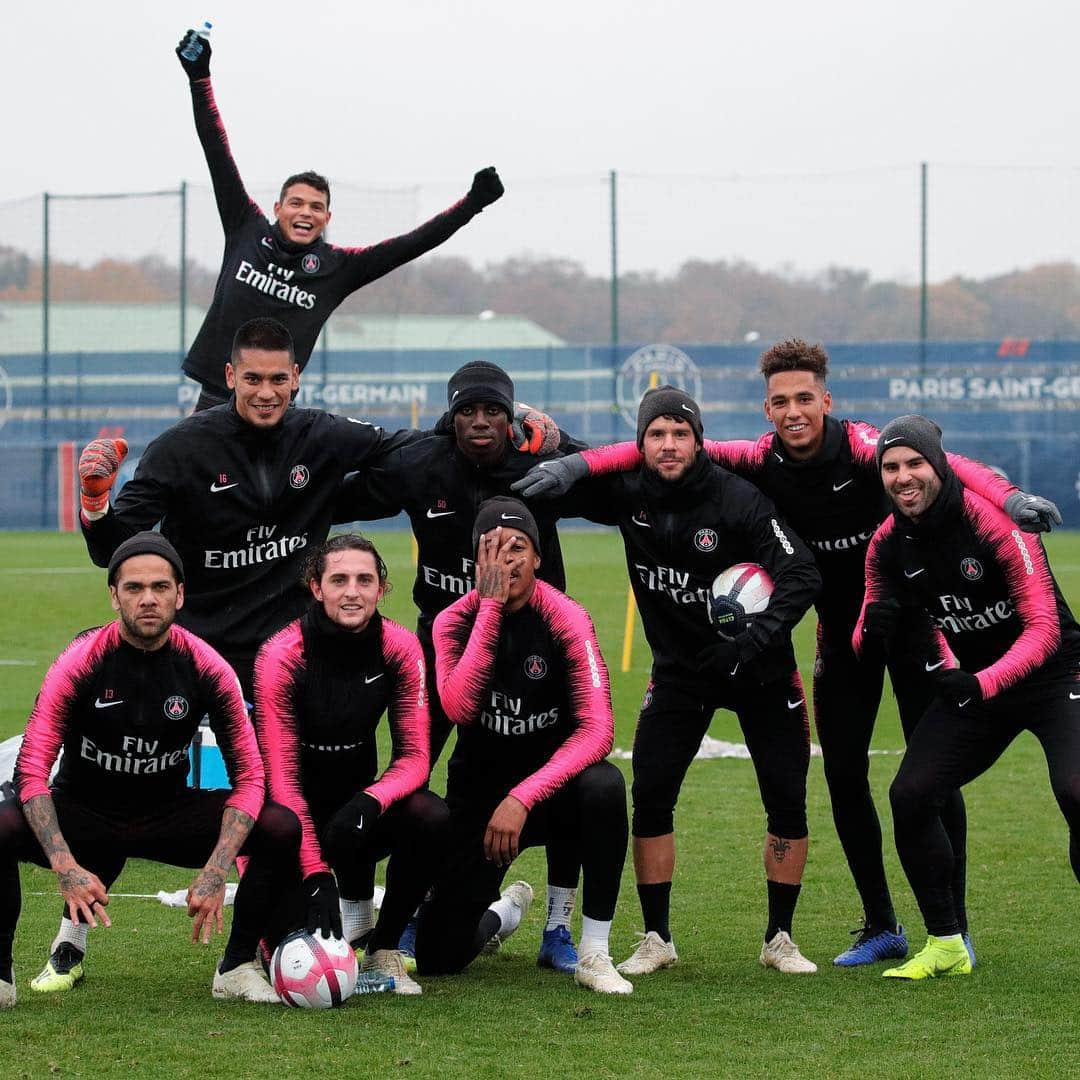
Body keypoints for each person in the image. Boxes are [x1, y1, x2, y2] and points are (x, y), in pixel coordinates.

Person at [514, 338, 1060, 967]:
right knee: (844, 779)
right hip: (842, 639)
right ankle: (881, 924)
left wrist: (1009, 497)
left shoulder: (865, 449)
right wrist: (572, 460)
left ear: (826, 400)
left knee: (930, 779)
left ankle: (952, 929)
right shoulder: (757, 457)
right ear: (767, 408)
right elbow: (653, 449)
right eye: (781, 401)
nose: (794, 410)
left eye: (805, 398)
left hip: (916, 630)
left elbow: (946, 463)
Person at [521, 388, 823, 975]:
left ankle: (779, 938)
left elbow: (802, 572)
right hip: (681, 675)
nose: (668, 445)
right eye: (656, 434)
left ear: (698, 438)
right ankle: (657, 937)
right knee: (652, 798)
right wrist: (548, 445)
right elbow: (576, 471)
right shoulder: (627, 493)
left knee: (787, 801)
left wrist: (749, 644)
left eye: (680, 434)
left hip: (760, 671)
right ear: (641, 442)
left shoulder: (740, 500)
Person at [335, 360, 585, 973]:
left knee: (573, 776)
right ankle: (391, 915)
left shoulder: (537, 466)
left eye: (494, 411)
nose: (480, 422)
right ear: (451, 416)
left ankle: (559, 924)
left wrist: (564, 442)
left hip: (536, 646)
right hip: (443, 644)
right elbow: (345, 488)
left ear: (512, 416)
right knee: (414, 776)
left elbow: (609, 476)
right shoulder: (424, 462)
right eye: (467, 411)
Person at [0, 533, 300, 1007]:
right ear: (114, 595)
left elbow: (250, 779)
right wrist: (64, 865)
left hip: (166, 815)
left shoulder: (208, 666)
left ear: (180, 595)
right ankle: (1, 976)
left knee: (280, 826)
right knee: (2, 820)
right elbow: (31, 771)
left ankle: (238, 966)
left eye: (160, 587)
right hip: (86, 814)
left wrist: (217, 870)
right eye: (134, 587)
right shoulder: (80, 662)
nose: (148, 599)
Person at [78, 317, 426, 701]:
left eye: (278, 379)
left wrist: (462, 434)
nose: (267, 393)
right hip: (201, 655)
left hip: (292, 654)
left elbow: (406, 447)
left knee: (304, 761)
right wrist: (96, 503)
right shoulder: (179, 449)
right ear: (230, 376)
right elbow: (111, 550)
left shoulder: (321, 434)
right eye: (253, 379)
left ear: (295, 377)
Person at [854, 415, 1080, 980]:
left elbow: (1044, 631)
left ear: (939, 466)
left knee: (1076, 790)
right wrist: (873, 631)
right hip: (979, 683)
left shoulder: (997, 525)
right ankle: (947, 944)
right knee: (911, 794)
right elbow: (862, 635)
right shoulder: (886, 544)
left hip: (1057, 676)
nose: (903, 477)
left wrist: (978, 681)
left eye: (915, 464)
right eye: (891, 467)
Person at [174, 27, 504, 409]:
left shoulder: (338, 267)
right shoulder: (245, 227)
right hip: (214, 401)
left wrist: (472, 202)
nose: (305, 212)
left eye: (316, 207)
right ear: (277, 209)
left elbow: (413, 244)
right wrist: (199, 78)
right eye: (296, 203)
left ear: (327, 217)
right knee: (176, 467)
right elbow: (216, 149)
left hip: (275, 411)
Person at [415, 499, 631, 994]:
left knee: (603, 786)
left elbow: (599, 732)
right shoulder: (453, 621)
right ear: (476, 561)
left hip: (547, 796)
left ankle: (593, 952)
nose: (507, 559)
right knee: (437, 959)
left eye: (519, 548)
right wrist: (489, 606)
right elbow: (461, 708)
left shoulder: (567, 618)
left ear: (538, 558)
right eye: (492, 548)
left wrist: (523, 797)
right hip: (479, 803)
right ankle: (502, 914)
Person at [253, 534, 448, 995]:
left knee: (430, 814)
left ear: (381, 588)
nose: (352, 592)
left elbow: (416, 757)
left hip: (356, 815)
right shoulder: (280, 654)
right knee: (289, 951)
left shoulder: (400, 647)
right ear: (316, 588)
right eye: (338, 580)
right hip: (289, 821)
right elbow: (280, 778)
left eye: (364, 580)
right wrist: (317, 873)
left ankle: (383, 948)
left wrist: (370, 800)